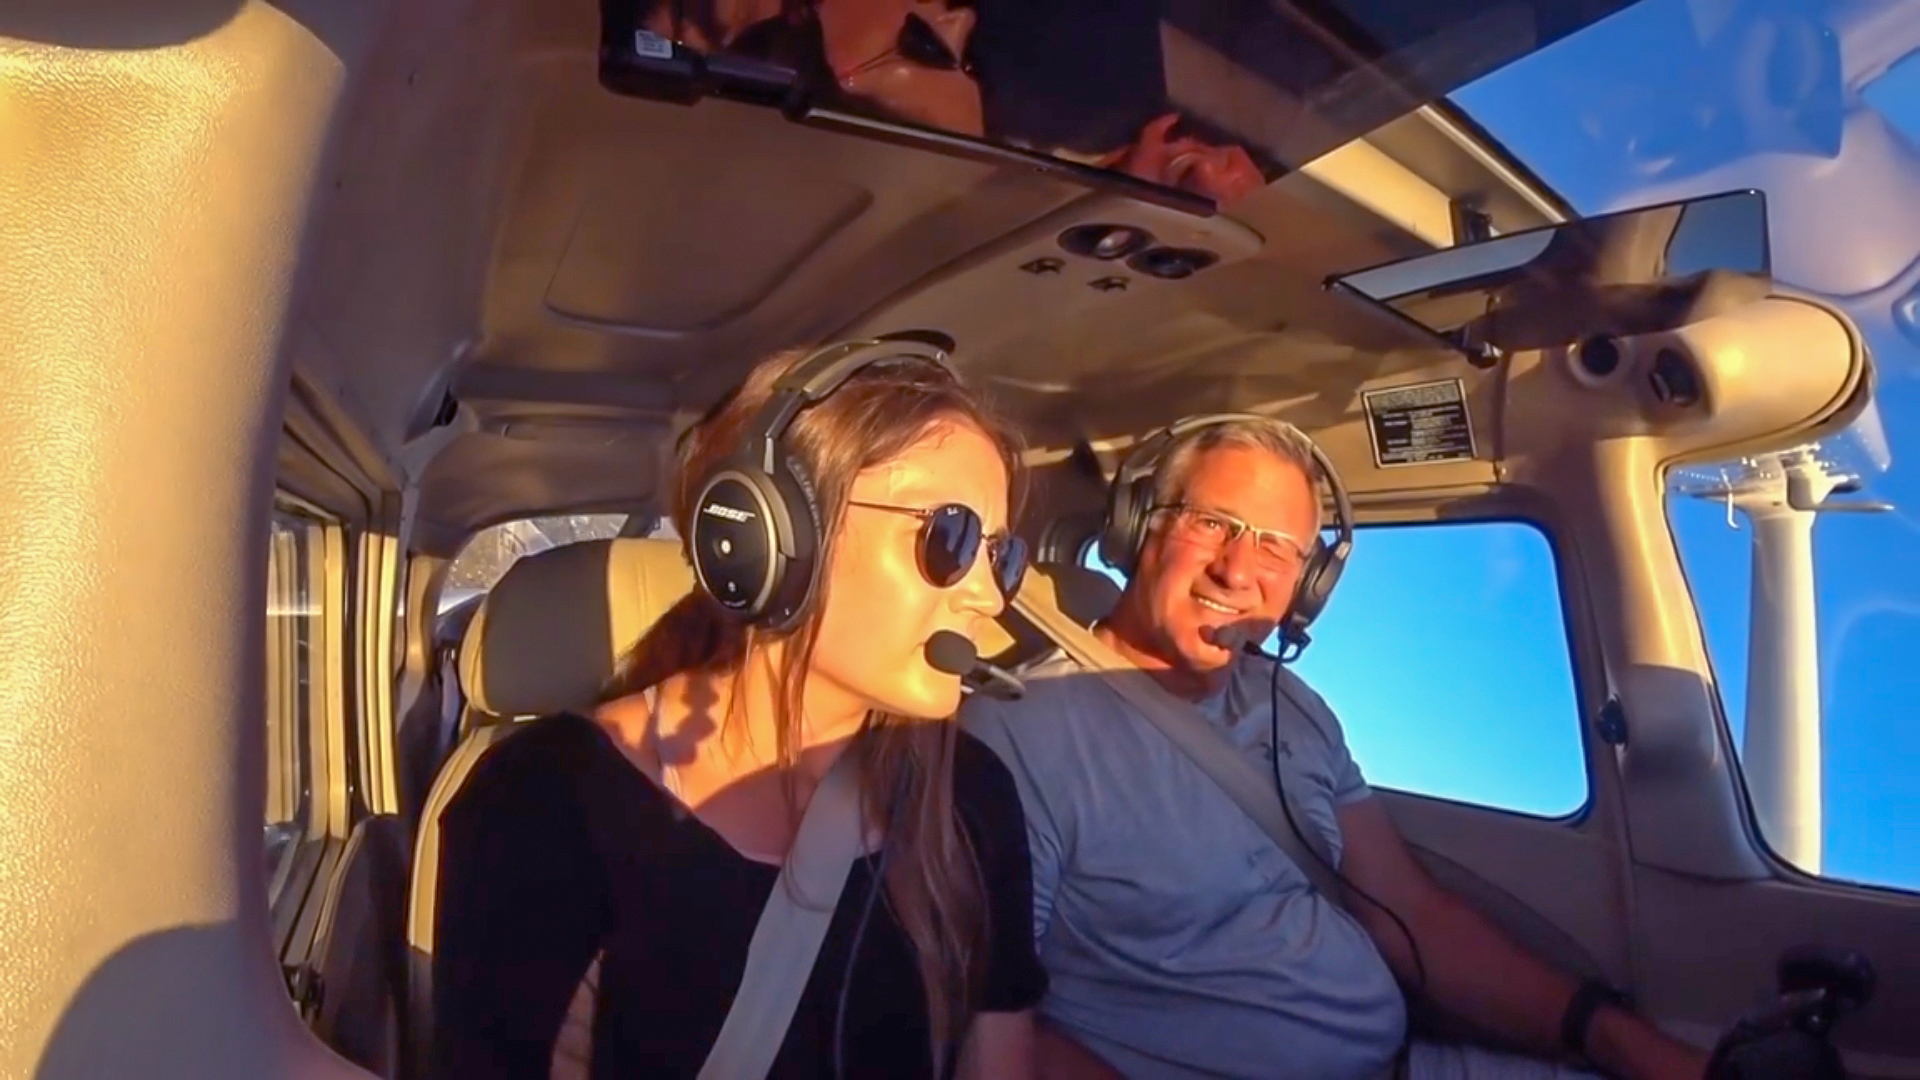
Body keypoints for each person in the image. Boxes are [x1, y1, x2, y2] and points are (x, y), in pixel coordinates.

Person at [962, 415, 1713, 1080]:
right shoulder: (1022, 732)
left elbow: (1412, 915)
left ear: (1309, 584)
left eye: (1277, 549)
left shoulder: (1294, 707)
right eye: (1212, 523)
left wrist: (1614, 1039)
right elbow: (990, 1014)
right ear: (1138, 526)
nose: (1238, 570)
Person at [430, 342, 1046, 1078]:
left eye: (1001, 554)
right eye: (951, 536)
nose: (989, 595)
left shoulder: (969, 798)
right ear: (776, 538)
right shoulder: (541, 802)